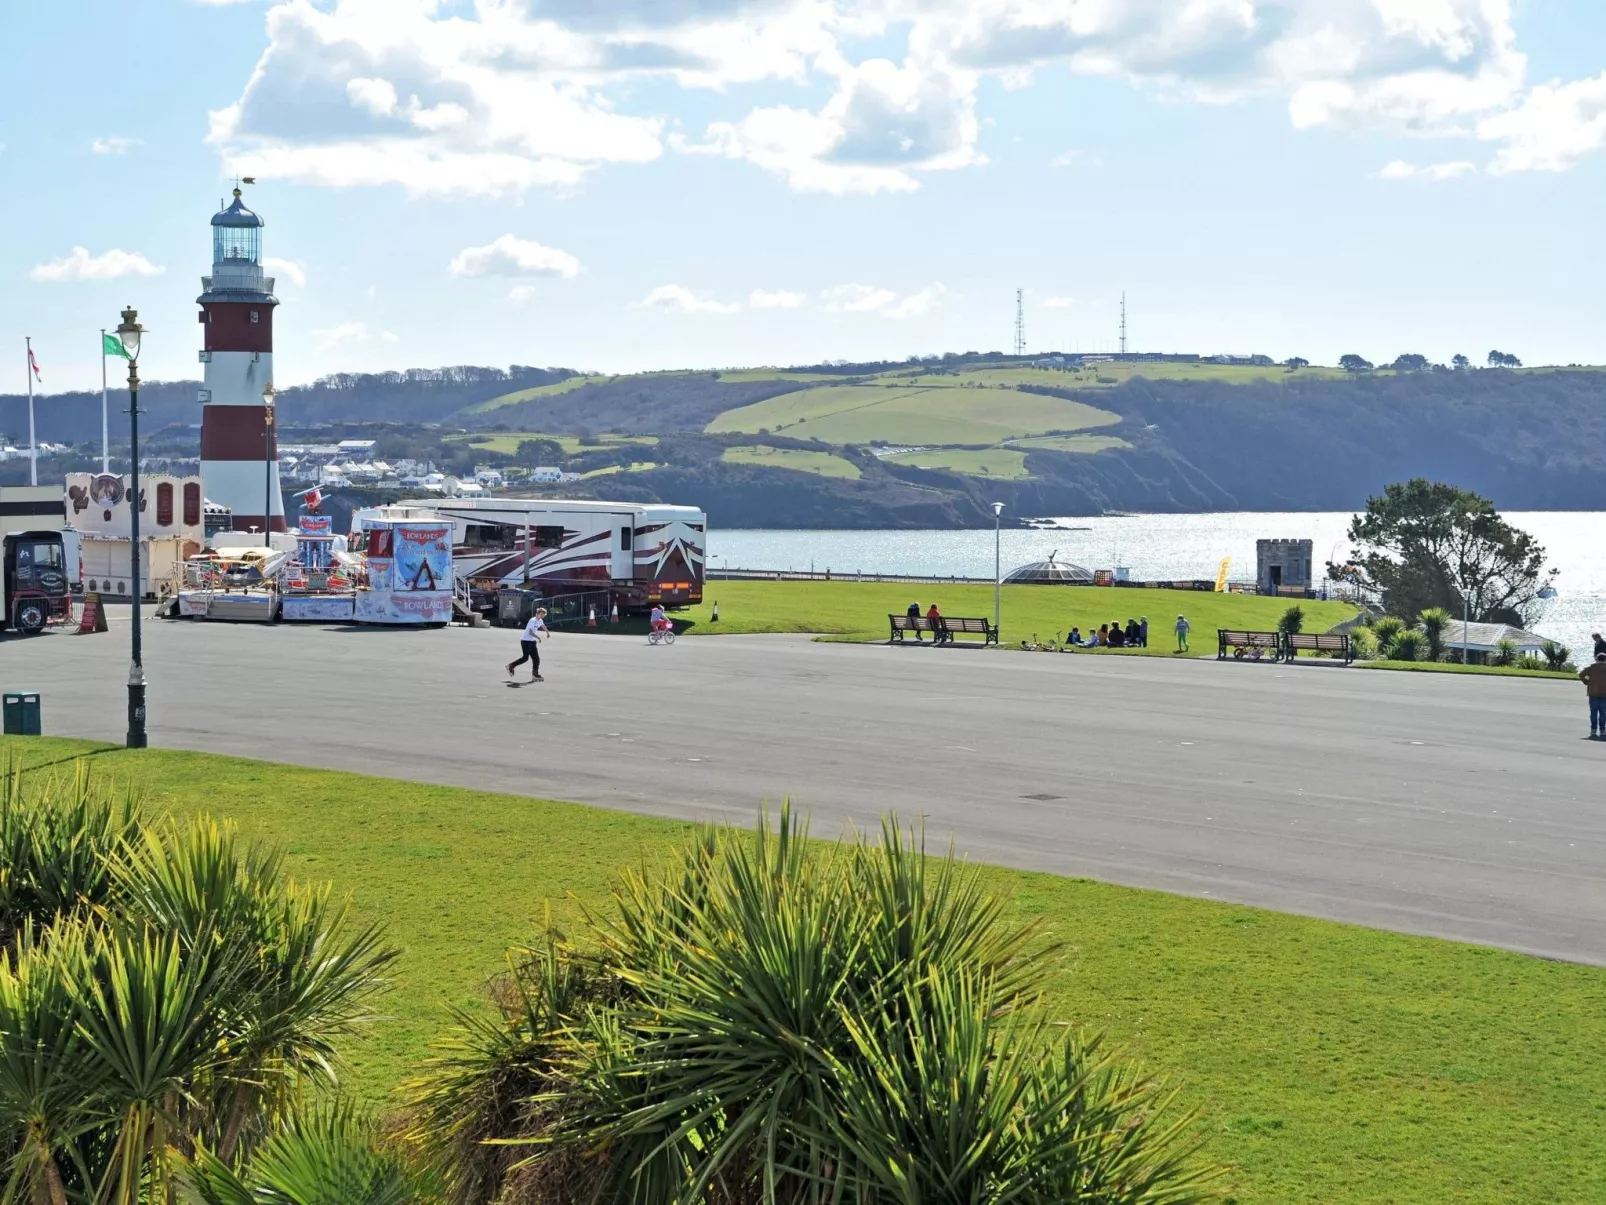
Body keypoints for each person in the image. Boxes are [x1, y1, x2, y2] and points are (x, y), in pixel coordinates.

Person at [507, 607, 549, 681]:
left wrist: (547, 632)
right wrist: (538, 637)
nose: (542, 616)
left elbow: (543, 626)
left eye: (544, 615)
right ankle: (511, 666)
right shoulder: (532, 621)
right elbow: (530, 632)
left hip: (532, 641)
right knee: (525, 658)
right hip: (525, 641)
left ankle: (535, 675)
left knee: (536, 659)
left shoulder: (540, 620)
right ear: (538, 613)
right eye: (542, 615)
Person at [1582, 652, 1606, 738]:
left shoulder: (1592, 667)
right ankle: (1603, 730)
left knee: (1593, 712)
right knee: (1603, 713)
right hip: (1604, 694)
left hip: (1593, 692)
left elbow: (1581, 674)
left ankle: (1593, 730)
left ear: (1597, 659)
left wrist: (1587, 682)